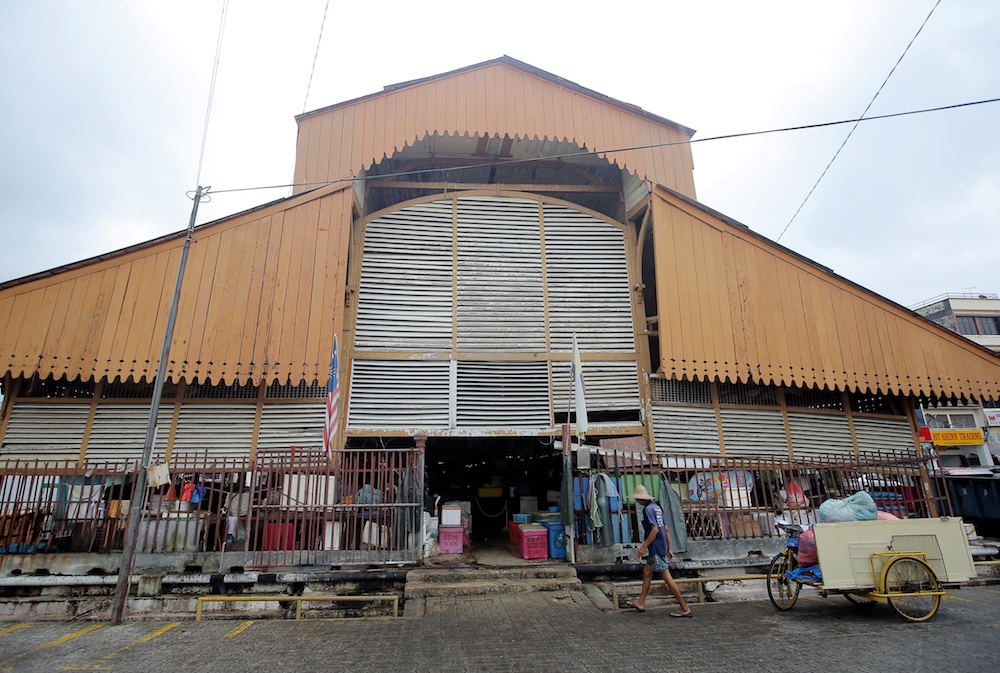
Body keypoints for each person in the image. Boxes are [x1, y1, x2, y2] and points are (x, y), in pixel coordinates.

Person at [629, 484, 692, 617]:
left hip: (655, 547)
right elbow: (666, 529)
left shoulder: (648, 510)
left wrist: (643, 546)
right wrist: (669, 548)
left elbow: (655, 529)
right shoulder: (656, 508)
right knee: (647, 571)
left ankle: (684, 607)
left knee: (667, 577)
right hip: (661, 546)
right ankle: (641, 602)